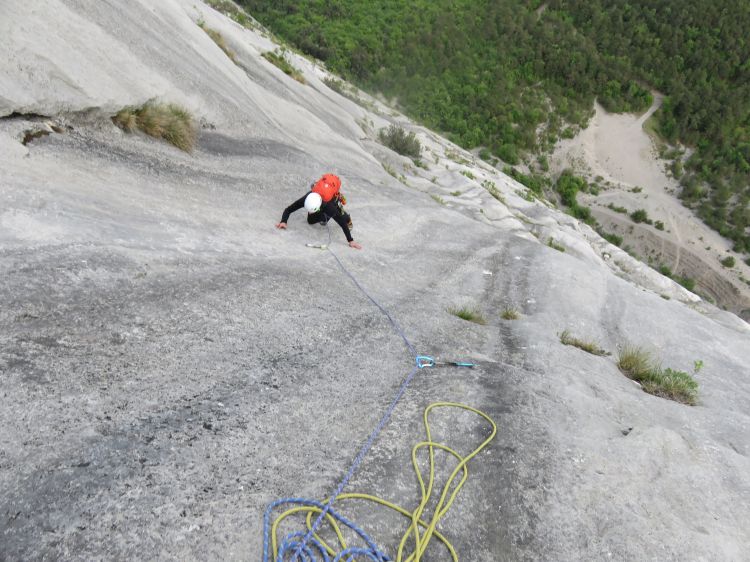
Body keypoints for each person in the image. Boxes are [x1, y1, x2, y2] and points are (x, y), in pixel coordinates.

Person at [275, 174, 362, 249]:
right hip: (320, 198)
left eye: (311, 211)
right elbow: (288, 209)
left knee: (340, 216)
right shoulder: (307, 198)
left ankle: (345, 215)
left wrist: (351, 241)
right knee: (310, 221)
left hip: (331, 199)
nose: (310, 213)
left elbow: (342, 223)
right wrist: (283, 221)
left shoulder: (330, 207)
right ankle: (324, 217)